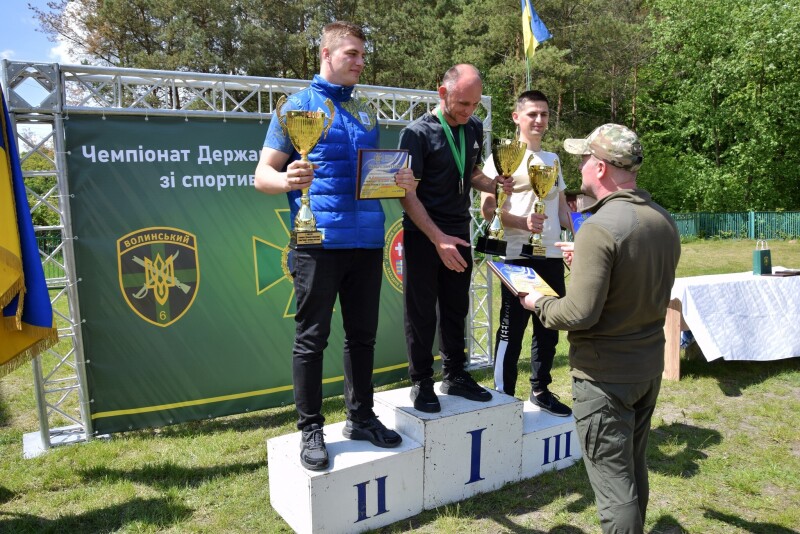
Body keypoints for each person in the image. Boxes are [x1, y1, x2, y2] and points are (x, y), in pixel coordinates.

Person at [254, 21, 416, 471]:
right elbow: (262, 174)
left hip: (367, 241)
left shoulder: (366, 111)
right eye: (352, 54)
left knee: (362, 336)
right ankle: (310, 429)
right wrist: (286, 179)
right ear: (326, 54)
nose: (360, 62)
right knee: (312, 339)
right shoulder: (296, 107)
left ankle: (360, 418)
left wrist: (398, 179)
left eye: (363, 54)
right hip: (317, 243)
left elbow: (370, 174)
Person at [519, 124, 681, 533]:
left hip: (605, 375)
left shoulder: (600, 226)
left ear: (603, 168)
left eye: (586, 159)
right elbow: (636, 278)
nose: (581, 168)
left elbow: (579, 313)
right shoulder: (661, 218)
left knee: (614, 486)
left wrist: (538, 303)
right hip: (646, 366)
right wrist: (590, 259)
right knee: (632, 467)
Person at [398, 64, 513, 413]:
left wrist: (493, 184)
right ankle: (421, 381)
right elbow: (406, 194)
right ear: (442, 92)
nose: (469, 111)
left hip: (460, 229)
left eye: (475, 104)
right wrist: (437, 238)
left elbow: (471, 171)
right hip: (423, 233)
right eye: (463, 103)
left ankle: (455, 374)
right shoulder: (416, 133)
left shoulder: (473, 126)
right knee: (421, 311)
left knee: (456, 307)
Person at [480, 90, 572, 416]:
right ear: (516, 117)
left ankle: (540, 390)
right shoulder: (502, 156)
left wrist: (583, 235)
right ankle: (503, 398)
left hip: (552, 255)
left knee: (549, 326)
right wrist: (523, 222)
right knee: (513, 328)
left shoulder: (553, 159)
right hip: (518, 254)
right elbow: (487, 210)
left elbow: (562, 209)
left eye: (544, 114)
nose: (539, 120)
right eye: (532, 113)